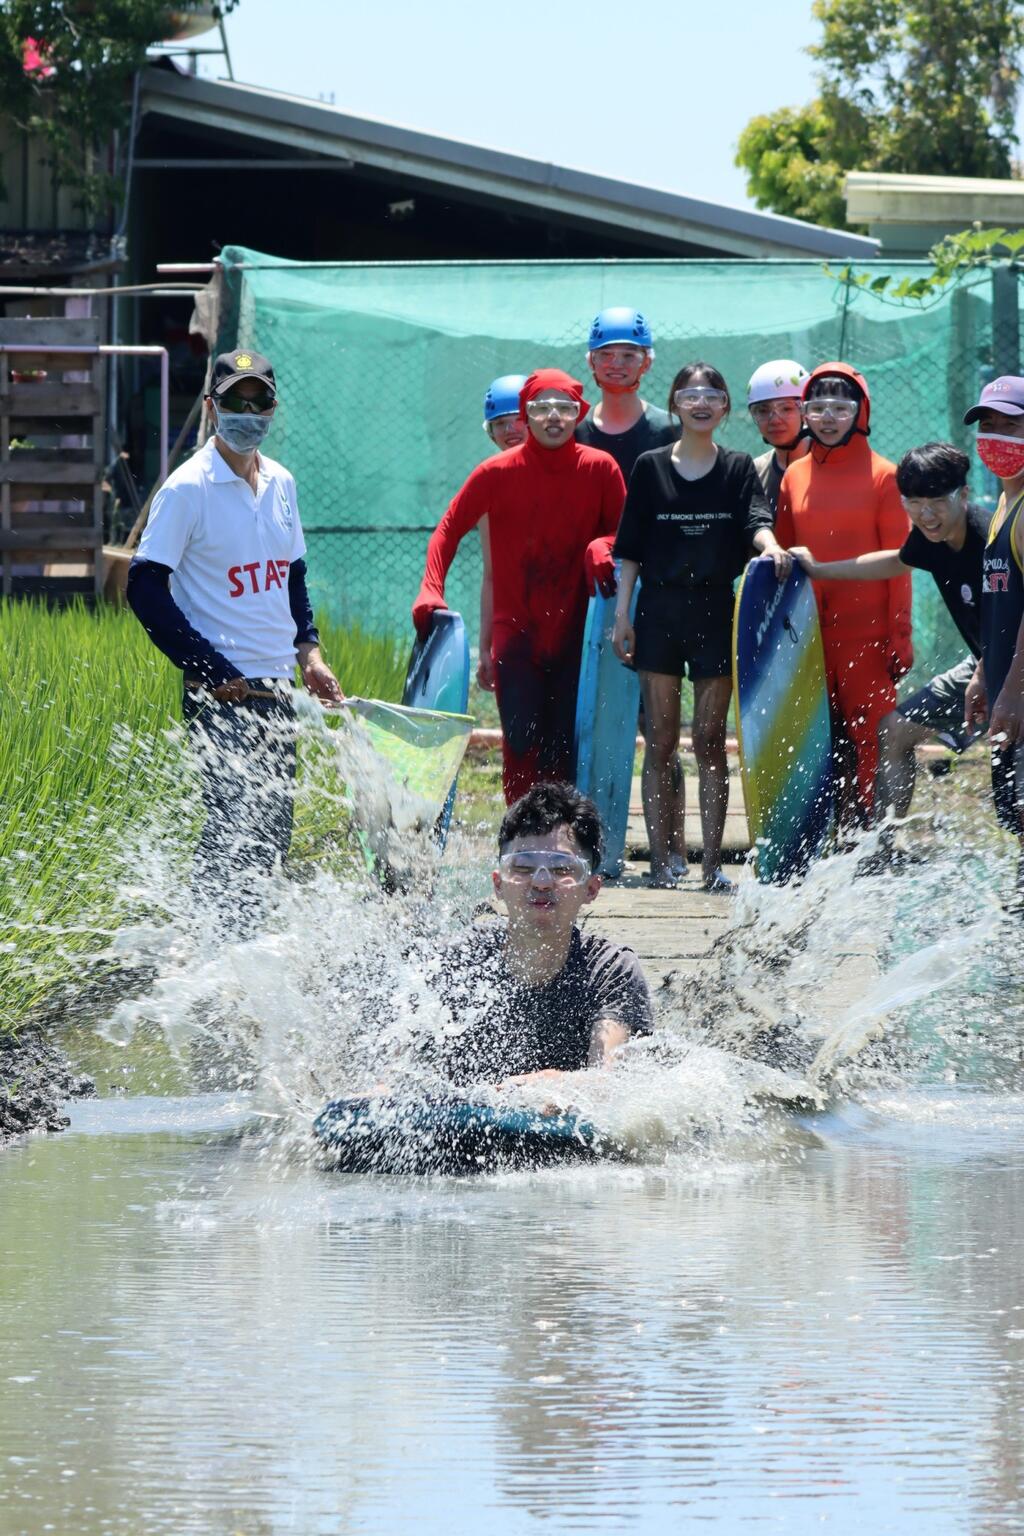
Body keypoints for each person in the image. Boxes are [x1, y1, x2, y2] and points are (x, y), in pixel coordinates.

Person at [127, 348, 343, 930]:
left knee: (273, 825)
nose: (247, 413)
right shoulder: (187, 489)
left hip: (275, 683)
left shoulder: (281, 483)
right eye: (234, 402)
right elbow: (144, 589)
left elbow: (292, 574)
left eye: (259, 402)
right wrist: (211, 667)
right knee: (231, 822)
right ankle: (203, 947)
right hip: (219, 692)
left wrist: (310, 652)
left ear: (273, 410)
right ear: (211, 407)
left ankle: (239, 948)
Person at [611, 361, 791, 891]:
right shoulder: (649, 466)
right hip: (659, 612)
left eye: (713, 393)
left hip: (716, 608)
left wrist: (772, 547)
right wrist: (622, 614)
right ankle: (664, 862)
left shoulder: (738, 468)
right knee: (661, 741)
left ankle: (713, 866)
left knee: (711, 741)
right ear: (675, 404)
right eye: (690, 394)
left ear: (725, 407)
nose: (701, 402)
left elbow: (757, 522)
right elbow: (630, 549)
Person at [413, 369, 625, 804]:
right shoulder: (495, 473)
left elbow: (630, 537)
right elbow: (447, 531)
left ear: (578, 414)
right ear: (525, 416)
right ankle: (517, 848)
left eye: (564, 408)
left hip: (576, 635)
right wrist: (430, 589)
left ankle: (563, 847)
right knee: (521, 742)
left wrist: (603, 546)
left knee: (565, 745)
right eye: (541, 408)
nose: (553, 417)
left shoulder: (600, 469)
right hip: (518, 635)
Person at [791, 443, 986, 851]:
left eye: (937, 502)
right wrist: (821, 570)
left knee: (1013, 794)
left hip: (1010, 667)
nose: (926, 515)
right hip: (983, 665)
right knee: (894, 731)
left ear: (964, 495)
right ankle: (880, 852)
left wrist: (988, 674)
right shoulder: (931, 538)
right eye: (914, 503)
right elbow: (895, 561)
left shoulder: (991, 540)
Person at [421, 781, 653, 1092]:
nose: (541, 882)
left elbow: (606, 1079)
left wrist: (556, 1085)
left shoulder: (611, 971)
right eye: (522, 867)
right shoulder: (459, 959)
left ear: (592, 888)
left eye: (561, 869)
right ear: (499, 884)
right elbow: (403, 1066)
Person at [774, 363, 913, 826]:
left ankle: (877, 839)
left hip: (868, 637)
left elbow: (900, 561)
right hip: (810, 637)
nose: (828, 417)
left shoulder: (885, 476)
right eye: (817, 407)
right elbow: (785, 560)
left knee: (871, 735)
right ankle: (821, 835)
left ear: (861, 411)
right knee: (816, 740)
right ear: (805, 414)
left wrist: (900, 633)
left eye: (840, 407)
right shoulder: (793, 475)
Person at [578, 306, 687, 877]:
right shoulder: (573, 431)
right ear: (590, 361)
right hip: (592, 601)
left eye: (629, 354)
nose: (617, 364)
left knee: (660, 728)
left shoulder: (668, 433)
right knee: (590, 725)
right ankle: (595, 850)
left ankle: (670, 852)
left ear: (647, 361)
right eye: (607, 354)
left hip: (658, 598)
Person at [962, 378, 1024, 900]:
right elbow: (1004, 605)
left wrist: (1012, 692)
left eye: (1012, 425)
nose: (997, 436)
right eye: (989, 426)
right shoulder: (1003, 507)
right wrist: (985, 673)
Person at [477, 374, 528, 693]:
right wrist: (486, 645)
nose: (510, 429)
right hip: (518, 623)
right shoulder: (488, 485)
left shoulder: (575, 470)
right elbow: (492, 575)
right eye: (500, 423)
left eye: (518, 420)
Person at [746, 358, 811, 512]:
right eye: (762, 410)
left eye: (786, 409)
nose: (775, 420)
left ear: (805, 410)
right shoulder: (755, 473)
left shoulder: (831, 464)